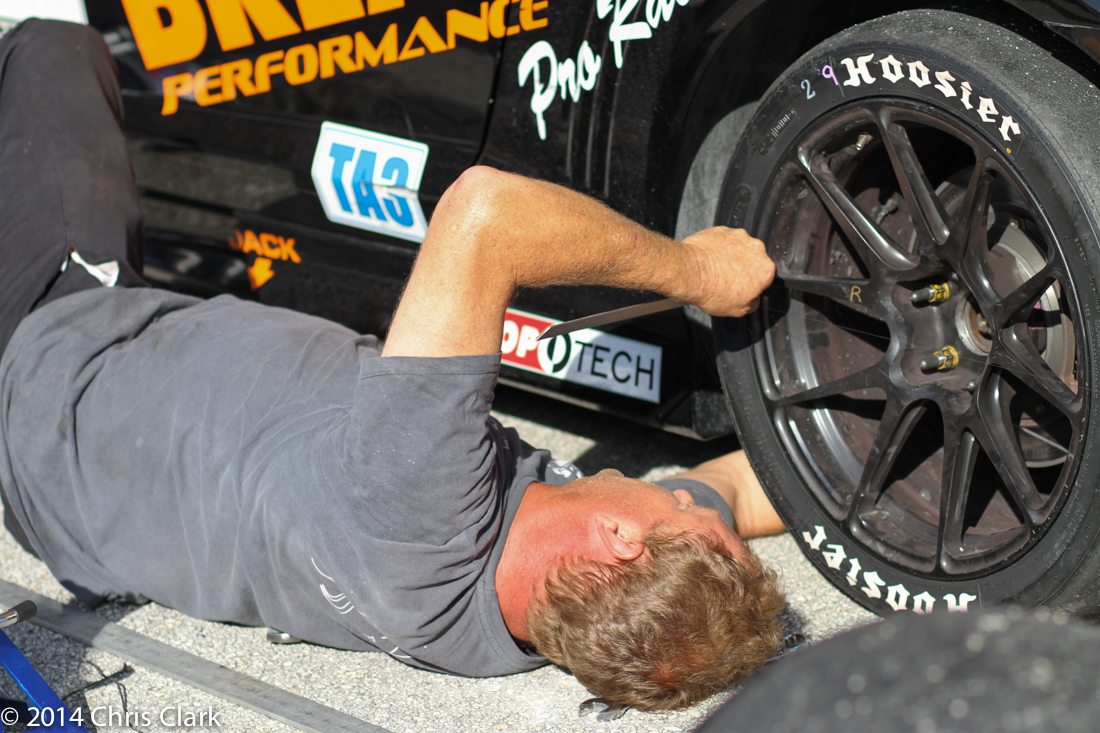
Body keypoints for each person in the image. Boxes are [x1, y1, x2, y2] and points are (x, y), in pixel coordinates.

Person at [0, 19, 786, 712]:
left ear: (616, 535)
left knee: (54, 50)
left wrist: (697, 270)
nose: (677, 492)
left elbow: (486, 214)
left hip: (55, 361)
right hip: (77, 516)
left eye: (674, 507)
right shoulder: (538, 613)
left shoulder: (423, 507)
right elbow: (739, 489)